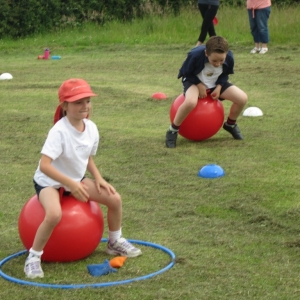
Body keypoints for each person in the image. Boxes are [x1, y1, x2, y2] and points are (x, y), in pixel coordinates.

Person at [24, 78, 142, 279]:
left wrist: (98, 177)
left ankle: (114, 242)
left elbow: (86, 156)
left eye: (87, 101)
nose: (85, 106)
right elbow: (45, 165)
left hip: (76, 180)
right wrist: (69, 183)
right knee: (54, 214)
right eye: (78, 102)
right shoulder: (59, 131)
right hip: (49, 182)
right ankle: (33, 257)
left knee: (115, 199)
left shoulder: (91, 128)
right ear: (65, 106)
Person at [165, 36, 248, 148]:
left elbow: (225, 74)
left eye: (221, 60)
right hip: (193, 82)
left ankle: (230, 124)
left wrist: (219, 86)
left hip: (215, 83)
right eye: (214, 60)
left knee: (242, 98)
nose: (218, 64)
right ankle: (173, 130)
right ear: (206, 53)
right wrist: (199, 85)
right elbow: (186, 73)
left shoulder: (229, 57)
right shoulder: (194, 55)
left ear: (226, 54)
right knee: (190, 102)